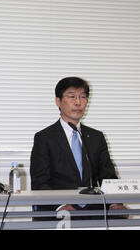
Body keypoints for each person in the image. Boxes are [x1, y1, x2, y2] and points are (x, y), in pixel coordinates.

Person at [30, 77, 126, 220]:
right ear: (58, 101)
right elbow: (40, 182)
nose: (78, 102)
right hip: (58, 211)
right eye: (71, 96)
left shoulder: (96, 137)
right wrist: (60, 205)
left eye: (83, 97)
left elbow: (108, 176)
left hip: (93, 211)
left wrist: (115, 204)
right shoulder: (44, 138)